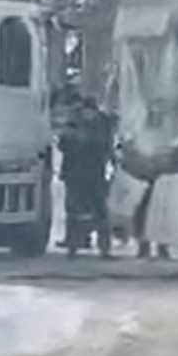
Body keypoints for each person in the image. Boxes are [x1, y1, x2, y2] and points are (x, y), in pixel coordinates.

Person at [58, 98, 115, 259]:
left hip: (75, 174)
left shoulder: (72, 121)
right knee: (100, 212)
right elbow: (107, 147)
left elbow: (62, 145)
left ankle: (73, 246)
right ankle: (103, 249)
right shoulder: (102, 122)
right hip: (95, 173)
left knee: (75, 212)